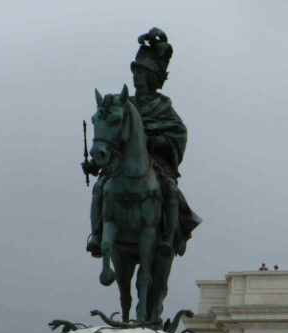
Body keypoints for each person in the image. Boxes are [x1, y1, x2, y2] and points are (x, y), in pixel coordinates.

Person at [84, 29, 201, 265]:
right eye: (136, 72)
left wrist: (156, 141)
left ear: (153, 77)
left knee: (168, 188)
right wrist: (96, 162)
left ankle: (168, 238)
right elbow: (111, 135)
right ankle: (97, 235)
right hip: (121, 164)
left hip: (155, 162)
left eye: (142, 73)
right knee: (99, 188)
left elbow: (179, 133)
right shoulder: (125, 104)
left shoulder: (163, 106)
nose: (137, 77)